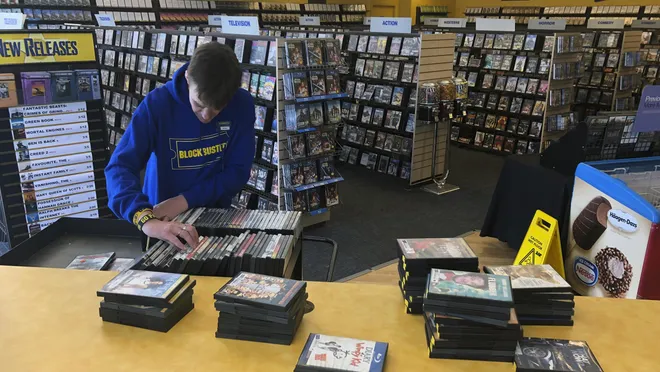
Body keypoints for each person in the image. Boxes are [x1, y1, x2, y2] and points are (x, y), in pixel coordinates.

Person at [105, 42, 256, 250]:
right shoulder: (157, 105)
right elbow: (120, 167)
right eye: (200, 105)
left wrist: (184, 200)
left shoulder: (242, 104)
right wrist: (144, 218)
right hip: (163, 221)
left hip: (215, 217)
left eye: (217, 110)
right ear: (187, 78)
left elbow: (238, 172)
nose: (206, 116)